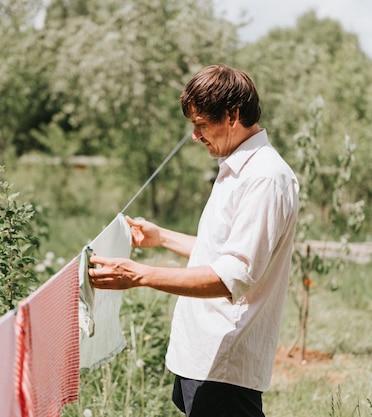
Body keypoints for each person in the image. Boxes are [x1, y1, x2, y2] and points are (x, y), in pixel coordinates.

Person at [88, 64, 299, 417]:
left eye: (201, 124)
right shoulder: (236, 166)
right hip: (202, 354)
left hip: (225, 361)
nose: (195, 135)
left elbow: (231, 275)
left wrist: (137, 275)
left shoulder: (263, 178)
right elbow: (221, 251)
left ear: (232, 115)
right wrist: (163, 237)